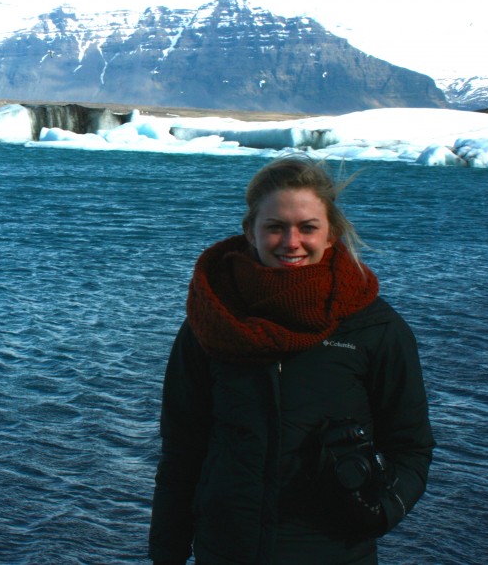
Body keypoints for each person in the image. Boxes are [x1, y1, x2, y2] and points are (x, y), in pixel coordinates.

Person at [148, 156, 434, 565]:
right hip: (226, 551)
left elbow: (411, 447)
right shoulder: (211, 323)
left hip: (333, 553)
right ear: (251, 230)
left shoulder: (373, 328)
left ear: (331, 234)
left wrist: (381, 511)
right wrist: (167, 554)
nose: (291, 241)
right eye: (275, 227)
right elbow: (181, 453)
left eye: (307, 227)